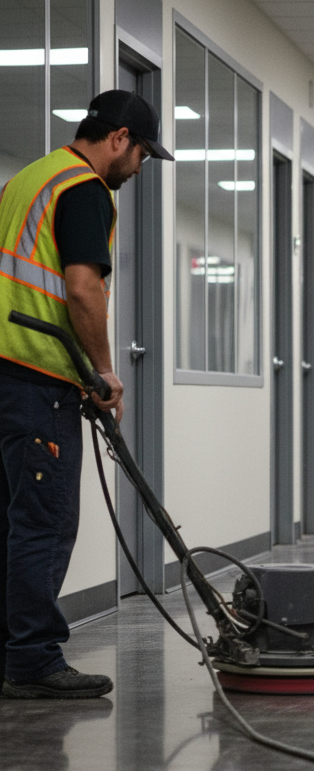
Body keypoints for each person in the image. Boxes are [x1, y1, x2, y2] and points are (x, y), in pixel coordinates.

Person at [0, 90, 173, 698]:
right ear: (120, 138)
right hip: (37, 377)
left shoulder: (29, 179)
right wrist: (103, 370)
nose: (141, 166)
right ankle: (33, 661)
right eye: (144, 153)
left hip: (7, 374)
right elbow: (81, 289)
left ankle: (12, 653)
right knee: (44, 525)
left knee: (14, 521)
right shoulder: (84, 190)